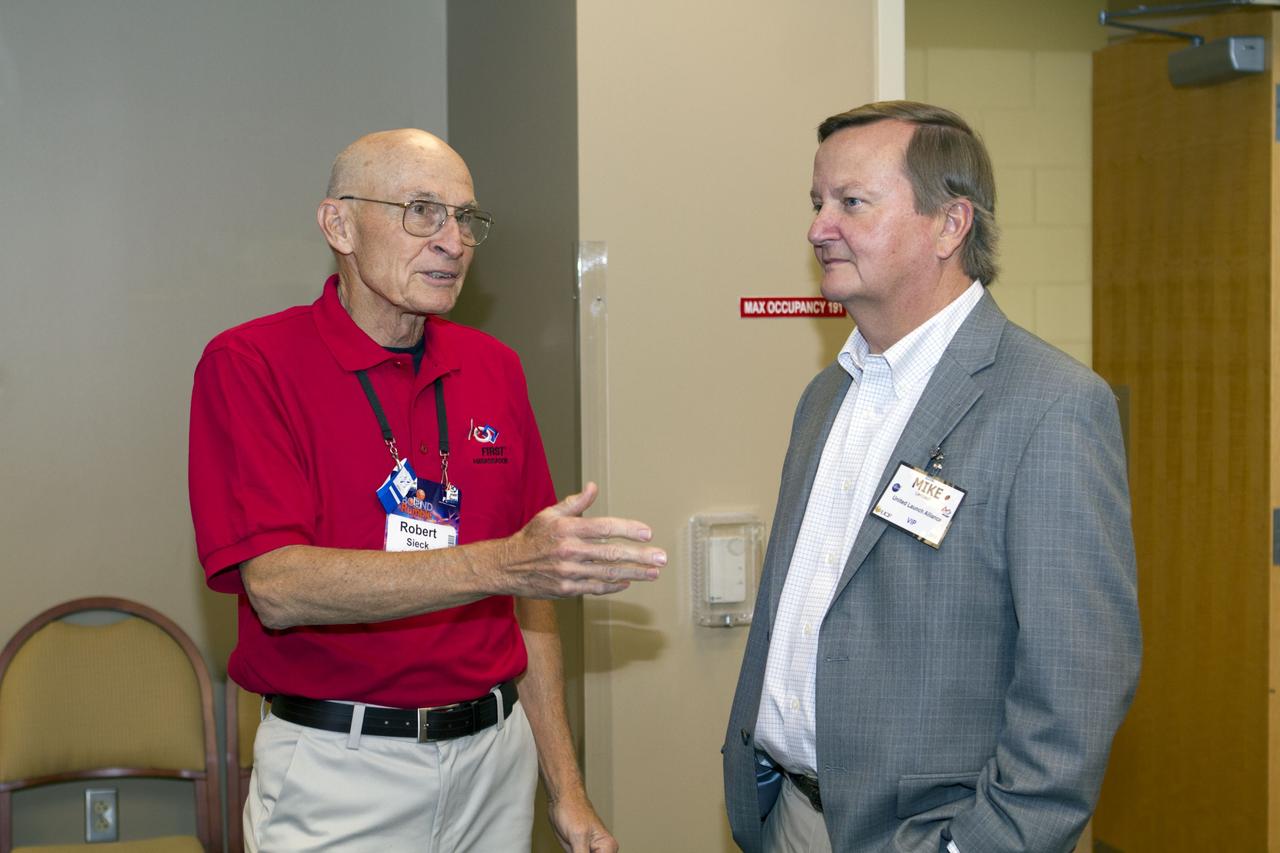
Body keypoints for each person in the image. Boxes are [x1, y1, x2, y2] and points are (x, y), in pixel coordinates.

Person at [189, 129, 665, 852]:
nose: (453, 241)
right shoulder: (252, 363)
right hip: (339, 767)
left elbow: (529, 597)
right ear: (338, 225)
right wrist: (502, 563)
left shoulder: (493, 367)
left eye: (465, 218)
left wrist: (565, 788)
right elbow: (278, 586)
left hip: (493, 763)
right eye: (421, 211)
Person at [722, 102, 1141, 853]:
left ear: (951, 225)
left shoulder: (1051, 406)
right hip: (790, 817)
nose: (819, 226)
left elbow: (1078, 685)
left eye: (851, 202)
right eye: (817, 202)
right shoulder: (827, 395)